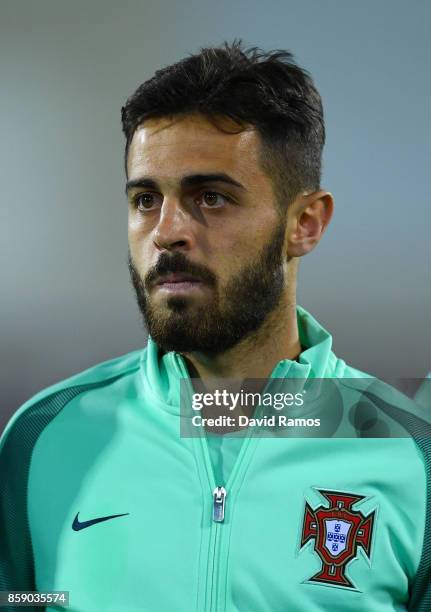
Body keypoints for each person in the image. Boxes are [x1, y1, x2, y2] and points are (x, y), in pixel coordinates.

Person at [1, 42, 430, 612]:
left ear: (304, 223)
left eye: (211, 197)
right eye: (146, 199)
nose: (167, 231)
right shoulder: (42, 438)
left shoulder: (411, 449)